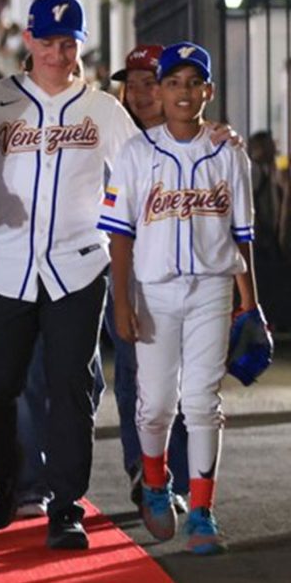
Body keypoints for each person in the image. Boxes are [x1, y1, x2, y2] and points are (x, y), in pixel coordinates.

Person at [0, 0, 140, 550]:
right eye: (48, 42)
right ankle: (3, 476)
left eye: (68, 43)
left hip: (78, 265)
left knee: (71, 387)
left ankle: (66, 503)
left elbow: (146, 172)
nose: (58, 53)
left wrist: (213, 140)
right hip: (3, 265)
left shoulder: (100, 108)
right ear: (28, 41)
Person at [98, 41, 262, 555]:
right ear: (160, 90)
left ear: (208, 90)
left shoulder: (228, 151)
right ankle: (153, 482)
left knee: (201, 402)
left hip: (213, 288)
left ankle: (202, 511)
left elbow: (243, 234)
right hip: (154, 290)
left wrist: (250, 304)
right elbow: (119, 233)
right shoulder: (136, 152)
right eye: (174, 83)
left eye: (194, 83)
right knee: (156, 406)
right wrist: (122, 300)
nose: (184, 92)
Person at [109, 44, 190, 508]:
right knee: (135, 375)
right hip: (128, 273)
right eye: (131, 83)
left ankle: (178, 475)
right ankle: (146, 471)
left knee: (181, 378)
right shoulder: (115, 137)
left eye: (148, 82)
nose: (138, 93)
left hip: (186, 276)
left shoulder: (198, 138)